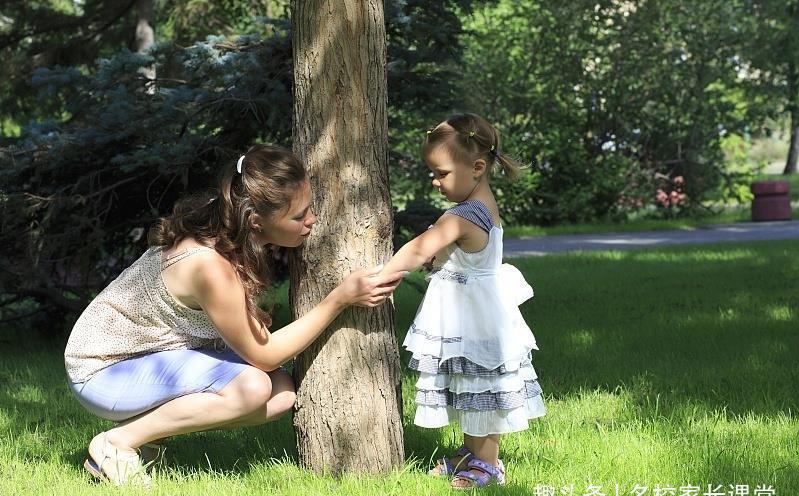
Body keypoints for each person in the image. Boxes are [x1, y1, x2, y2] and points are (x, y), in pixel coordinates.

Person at [64, 145, 405, 487]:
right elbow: (266, 354)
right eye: (299, 216)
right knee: (253, 388)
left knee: (281, 393)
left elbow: (263, 353)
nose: (312, 220)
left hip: (149, 355)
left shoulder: (223, 223)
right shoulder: (209, 267)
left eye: (310, 208)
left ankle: (146, 436)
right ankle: (116, 444)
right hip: (101, 371)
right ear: (256, 220)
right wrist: (339, 300)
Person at [377, 114, 546, 489]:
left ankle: (488, 464)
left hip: (476, 317)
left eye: (441, 173)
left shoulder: (464, 214)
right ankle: (471, 455)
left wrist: (382, 274)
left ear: (477, 167)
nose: (435, 182)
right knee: (470, 385)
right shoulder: (482, 202)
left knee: (482, 386)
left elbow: (421, 248)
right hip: (472, 312)